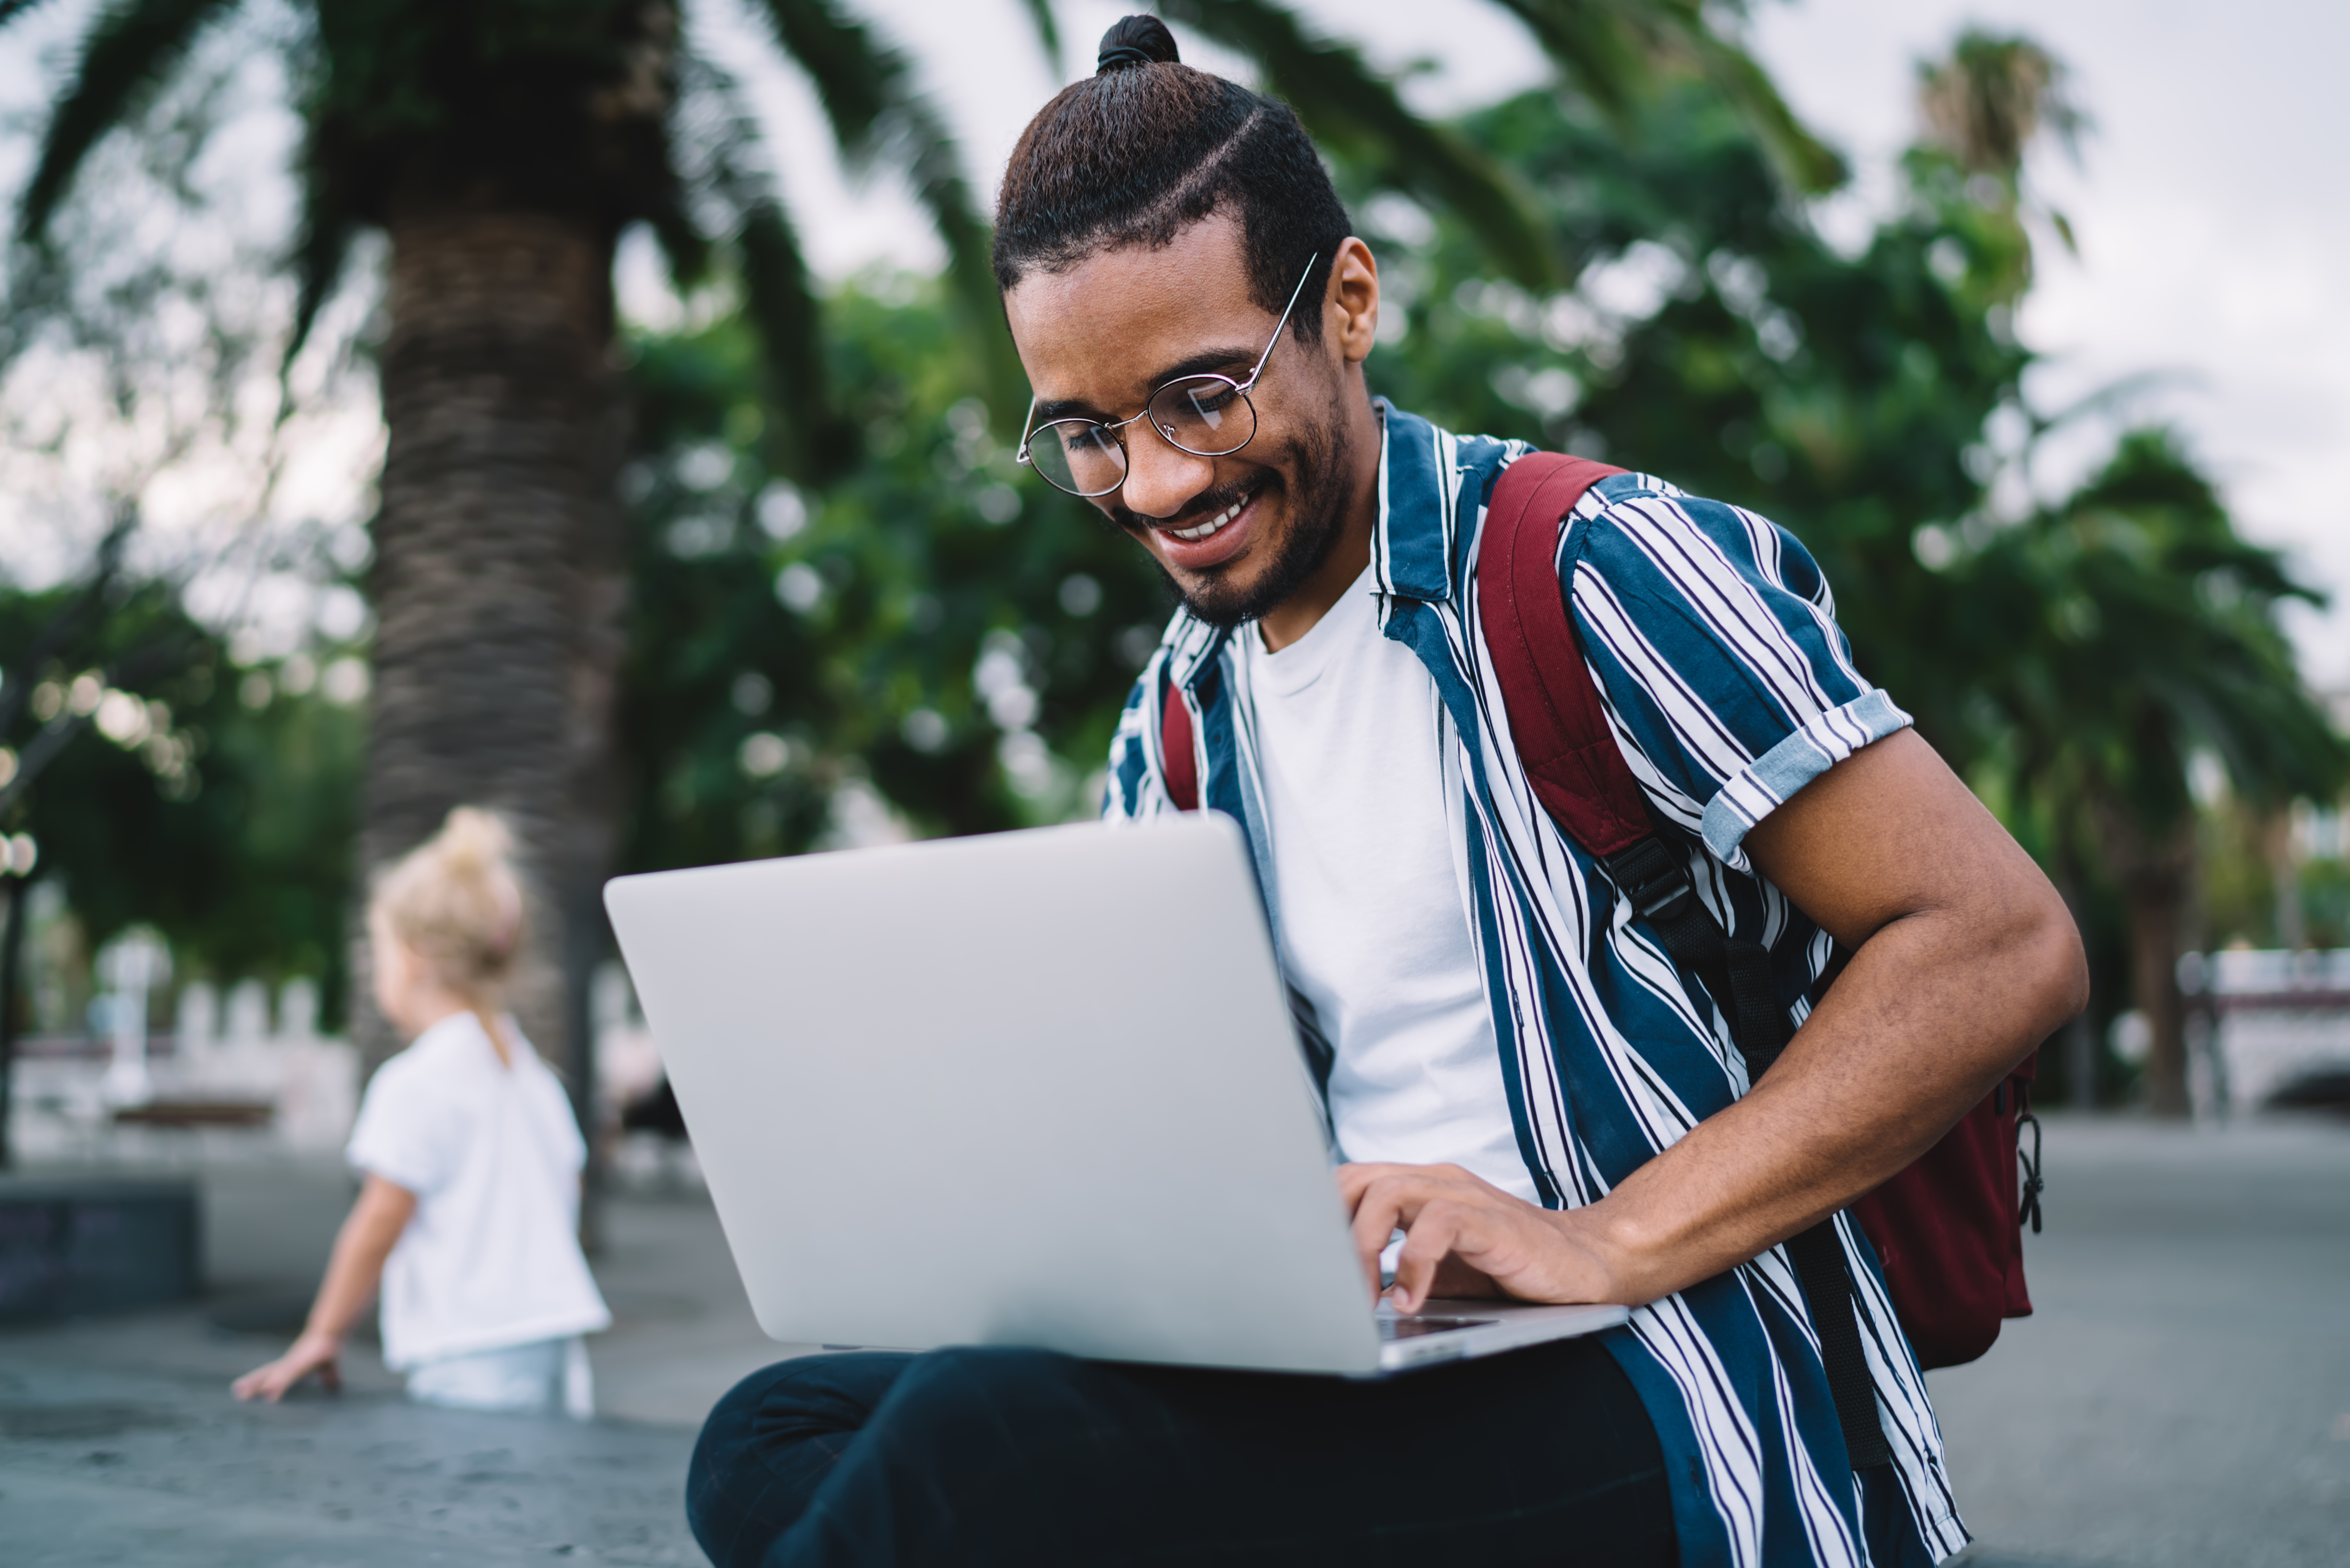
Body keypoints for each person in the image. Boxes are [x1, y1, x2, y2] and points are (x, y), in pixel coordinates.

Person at [685, 16, 2087, 1567]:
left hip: (1667, 1364)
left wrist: (1593, 1239)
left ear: (1347, 301)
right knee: (775, 1434)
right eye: (1086, 434)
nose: (1153, 483)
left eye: (1201, 396)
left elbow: (2000, 940)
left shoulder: (1588, 568)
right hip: (1374, 1349)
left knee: (977, 1460)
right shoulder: (1178, 720)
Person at [233, 807, 610, 1418]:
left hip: (468, 1346)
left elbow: (381, 1216)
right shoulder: (530, 1073)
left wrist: (323, 1333)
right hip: (554, 1335)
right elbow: (568, 1182)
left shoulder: (416, 1081)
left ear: (409, 957)